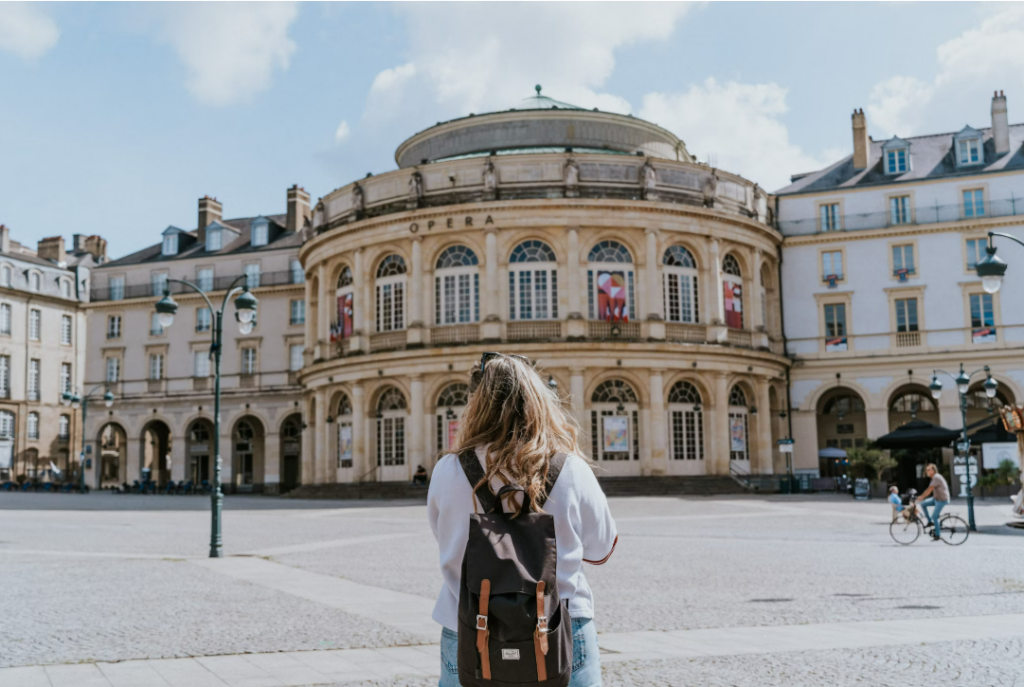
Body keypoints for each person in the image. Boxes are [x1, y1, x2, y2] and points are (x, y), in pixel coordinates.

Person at [427, 353, 617, 687]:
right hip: (560, 628)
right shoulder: (570, 469)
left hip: (469, 627)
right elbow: (601, 549)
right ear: (539, 401)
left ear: (476, 404)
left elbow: (445, 538)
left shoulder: (448, 470)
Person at [917, 463, 950, 540]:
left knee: (934, 516)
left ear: (933, 470)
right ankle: (929, 522)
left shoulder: (936, 477)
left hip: (942, 500)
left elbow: (929, 489)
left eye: (928, 470)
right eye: (926, 470)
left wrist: (921, 497)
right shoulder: (934, 478)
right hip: (936, 499)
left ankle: (938, 535)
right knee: (923, 504)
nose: (927, 471)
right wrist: (922, 498)